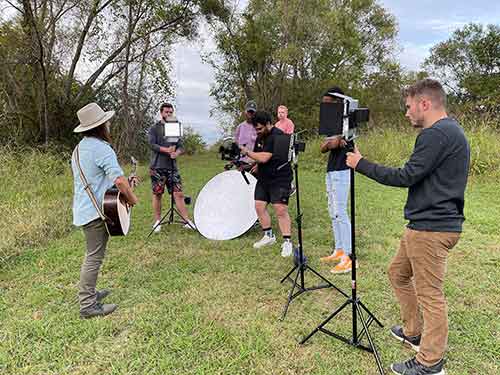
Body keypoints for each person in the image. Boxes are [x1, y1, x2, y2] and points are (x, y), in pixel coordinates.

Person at [346, 79, 470, 375]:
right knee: (398, 273)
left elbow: (406, 176)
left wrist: (361, 163)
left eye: (408, 106)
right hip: (427, 224)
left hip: (431, 228)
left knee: (430, 294)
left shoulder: (435, 134)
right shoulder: (451, 131)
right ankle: (413, 332)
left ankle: (431, 363)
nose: (406, 113)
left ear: (424, 104)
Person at [71, 102, 139, 319]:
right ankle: (88, 305)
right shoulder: (102, 148)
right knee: (94, 257)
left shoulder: (79, 148)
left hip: (84, 209)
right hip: (95, 213)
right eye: (106, 122)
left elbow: (98, 180)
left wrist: (126, 183)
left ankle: (90, 294)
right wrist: (132, 197)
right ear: (100, 126)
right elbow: (118, 181)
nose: (108, 125)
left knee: (93, 255)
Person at [239, 111, 293, 257]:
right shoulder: (261, 136)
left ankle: (287, 242)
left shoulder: (278, 136)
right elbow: (259, 158)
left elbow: (264, 157)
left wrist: (245, 151)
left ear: (269, 124)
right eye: (256, 129)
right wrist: (248, 164)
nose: (258, 131)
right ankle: (269, 236)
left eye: (260, 128)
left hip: (280, 178)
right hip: (264, 178)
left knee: (280, 209)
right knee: (259, 206)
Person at [319, 87, 353, 274]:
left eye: (328, 102)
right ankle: (339, 249)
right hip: (331, 169)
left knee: (341, 211)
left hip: (342, 169)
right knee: (333, 212)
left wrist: (333, 142)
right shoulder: (330, 123)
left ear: (338, 102)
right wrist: (331, 142)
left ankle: (348, 256)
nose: (326, 106)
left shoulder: (347, 121)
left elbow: (335, 143)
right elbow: (324, 146)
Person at [149, 103, 195, 232]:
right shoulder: (155, 128)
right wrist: (166, 150)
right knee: (157, 194)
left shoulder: (175, 127)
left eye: (171, 112)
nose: (169, 114)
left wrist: (177, 153)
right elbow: (152, 145)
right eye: (166, 112)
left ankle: (187, 221)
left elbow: (181, 145)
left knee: (178, 193)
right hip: (157, 166)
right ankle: (157, 222)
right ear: (161, 113)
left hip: (172, 167)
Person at [234, 100, 258, 167]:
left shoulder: (259, 127)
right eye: (249, 112)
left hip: (255, 162)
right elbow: (236, 143)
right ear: (245, 112)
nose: (250, 114)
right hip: (241, 162)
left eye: (252, 112)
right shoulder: (240, 127)